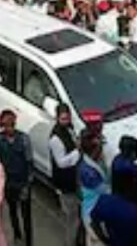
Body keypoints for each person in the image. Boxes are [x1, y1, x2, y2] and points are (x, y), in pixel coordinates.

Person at [0, 110, 33, 246]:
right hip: (8, 184)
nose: (9, 128)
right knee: (12, 211)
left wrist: (27, 185)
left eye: (11, 125)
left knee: (26, 215)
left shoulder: (24, 139)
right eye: (6, 125)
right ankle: (17, 234)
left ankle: (29, 241)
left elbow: (30, 163)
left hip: (22, 182)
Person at [49, 103, 82, 246]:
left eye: (67, 118)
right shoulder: (55, 139)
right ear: (57, 118)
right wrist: (78, 151)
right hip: (66, 184)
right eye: (63, 119)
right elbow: (61, 162)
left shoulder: (70, 129)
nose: (66, 121)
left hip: (74, 179)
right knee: (72, 219)